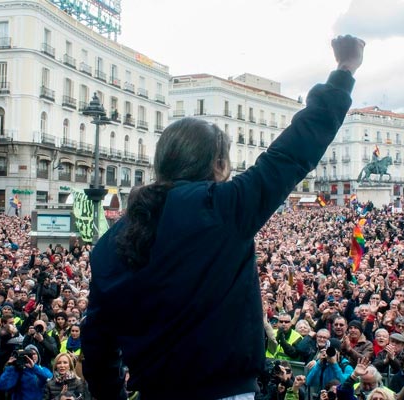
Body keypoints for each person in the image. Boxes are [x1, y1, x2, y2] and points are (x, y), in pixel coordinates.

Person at [82, 34, 365, 400]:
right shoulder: (224, 207)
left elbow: (97, 340)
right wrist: (344, 71)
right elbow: (293, 152)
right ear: (217, 164)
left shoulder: (111, 242)